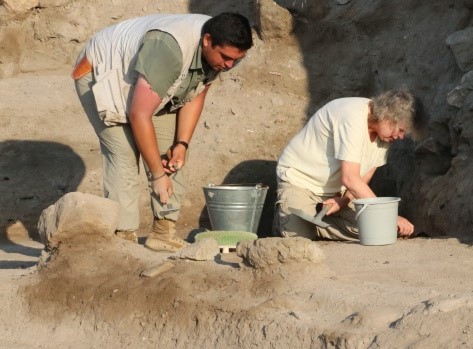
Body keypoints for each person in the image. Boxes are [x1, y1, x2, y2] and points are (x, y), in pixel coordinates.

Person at [72, 12, 253, 251]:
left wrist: (182, 144)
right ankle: (123, 237)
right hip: (103, 70)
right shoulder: (169, 49)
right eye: (226, 58)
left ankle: (163, 232)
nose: (229, 66)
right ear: (207, 40)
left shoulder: (218, 50)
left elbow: (195, 93)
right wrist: (157, 176)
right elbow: (139, 115)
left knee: (169, 154)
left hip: (151, 81)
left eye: (236, 61)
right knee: (124, 154)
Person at [273, 90, 420, 241]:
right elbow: (350, 178)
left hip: (337, 193)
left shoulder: (385, 137)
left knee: (381, 231)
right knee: (299, 239)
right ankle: (289, 220)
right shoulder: (352, 116)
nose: (401, 137)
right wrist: (387, 215)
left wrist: (343, 201)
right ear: (386, 117)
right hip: (301, 182)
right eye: (400, 130)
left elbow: (362, 178)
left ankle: (316, 222)